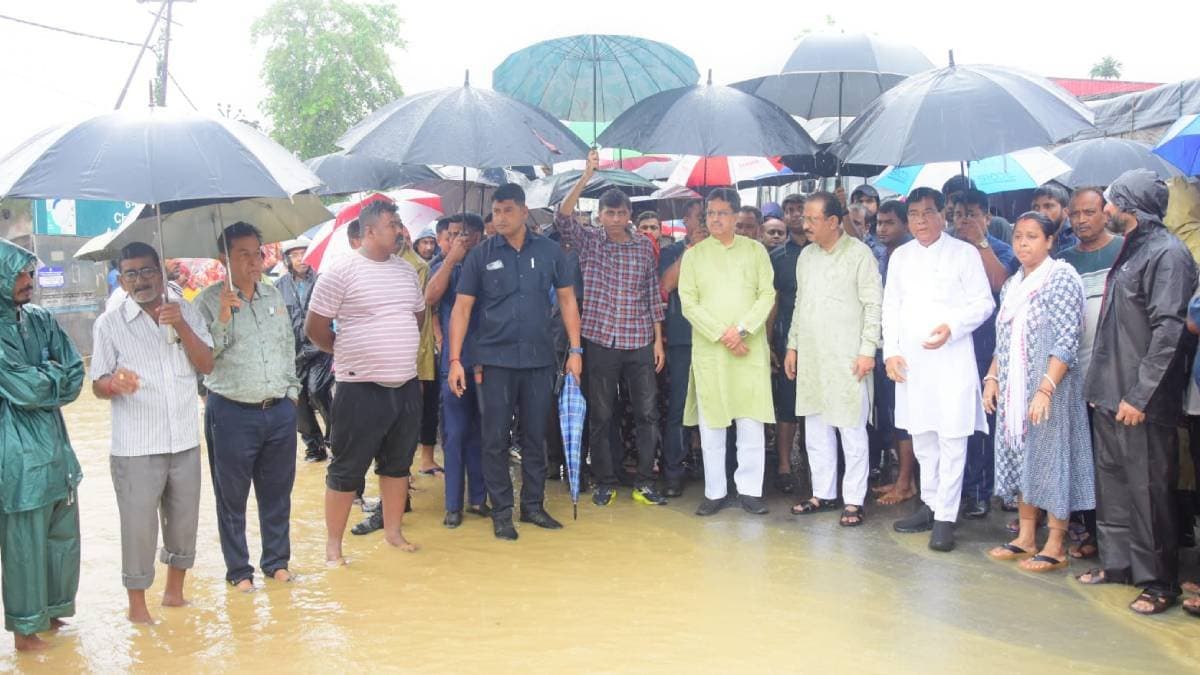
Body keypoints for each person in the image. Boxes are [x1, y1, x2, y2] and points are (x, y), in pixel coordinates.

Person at [1078, 169, 1198, 616]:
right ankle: (1118, 564)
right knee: (1113, 484)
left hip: (1142, 400)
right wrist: (1103, 389)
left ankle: (1159, 582)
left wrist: (1140, 394)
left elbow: (1169, 331)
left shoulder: (1168, 253)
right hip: (1111, 392)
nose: (1105, 209)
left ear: (1128, 205)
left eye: (1110, 201)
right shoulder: (1134, 248)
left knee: (1149, 490)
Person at [447, 183, 582, 540]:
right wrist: (456, 359)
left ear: (524, 212)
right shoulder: (480, 255)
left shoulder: (551, 252)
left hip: (540, 359)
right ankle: (502, 512)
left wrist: (576, 351)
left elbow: (568, 301)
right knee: (495, 439)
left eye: (508, 210)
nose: (500, 217)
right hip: (494, 361)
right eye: (496, 211)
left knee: (536, 436)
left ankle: (533, 507)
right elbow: (462, 308)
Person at [91, 242, 213, 624]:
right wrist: (114, 384)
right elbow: (97, 383)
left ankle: (174, 595)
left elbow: (207, 364)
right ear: (121, 280)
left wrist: (179, 323)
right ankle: (137, 608)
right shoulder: (108, 324)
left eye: (147, 271)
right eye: (131, 274)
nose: (140, 280)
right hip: (136, 445)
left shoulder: (185, 310)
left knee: (184, 521)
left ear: (161, 273)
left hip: (184, 438)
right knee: (138, 528)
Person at [306, 200, 425, 562]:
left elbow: (417, 319)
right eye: (392, 224)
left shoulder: (406, 272)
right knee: (346, 467)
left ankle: (393, 533)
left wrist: (393, 346)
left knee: (397, 464)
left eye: (399, 223)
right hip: (359, 388)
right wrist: (350, 353)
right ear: (369, 231)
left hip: (404, 385)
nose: (400, 230)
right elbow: (315, 329)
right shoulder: (340, 272)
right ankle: (333, 547)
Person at [981, 212, 1094, 572]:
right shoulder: (1013, 283)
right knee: (1021, 457)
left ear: (1049, 241)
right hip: (1015, 391)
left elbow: (1067, 338)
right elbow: (1003, 340)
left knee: (1052, 459)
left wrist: (1045, 388)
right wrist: (992, 379)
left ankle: (1056, 543)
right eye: (1018, 236)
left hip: (1052, 389)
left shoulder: (1060, 277)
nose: (1023, 243)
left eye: (1032, 236)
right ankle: (1026, 537)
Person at [884, 188, 995, 552]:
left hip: (951, 360)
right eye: (914, 214)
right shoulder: (900, 256)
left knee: (951, 438)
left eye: (928, 212)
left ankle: (946, 517)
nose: (921, 220)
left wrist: (954, 325)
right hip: (913, 363)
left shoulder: (964, 254)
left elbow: (984, 303)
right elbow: (891, 308)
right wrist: (891, 352)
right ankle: (930, 505)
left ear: (942, 216)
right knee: (923, 438)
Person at [557, 151, 667, 506]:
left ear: (630, 215)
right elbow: (563, 216)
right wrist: (586, 175)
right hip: (600, 339)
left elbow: (652, 295)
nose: (616, 218)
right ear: (600, 215)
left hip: (638, 341)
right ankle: (604, 479)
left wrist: (658, 341)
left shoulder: (643, 249)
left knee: (647, 413)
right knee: (602, 414)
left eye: (621, 213)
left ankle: (645, 481)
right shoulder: (590, 241)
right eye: (610, 212)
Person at [196, 222, 299, 590]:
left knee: (278, 491)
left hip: (279, 409)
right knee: (231, 496)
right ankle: (239, 571)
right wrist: (224, 316)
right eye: (244, 254)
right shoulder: (208, 301)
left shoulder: (273, 295)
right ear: (224, 259)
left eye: (258, 253)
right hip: (231, 411)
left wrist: (292, 392)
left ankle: (277, 561)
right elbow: (204, 360)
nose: (255, 261)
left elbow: (287, 345)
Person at [0, 238, 84, 652]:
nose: (27, 280)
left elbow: (74, 375)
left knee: (61, 537)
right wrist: (49, 376)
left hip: (56, 448)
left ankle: (53, 610)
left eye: (29, 272)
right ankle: (25, 629)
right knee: (24, 545)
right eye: (17, 273)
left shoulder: (40, 318)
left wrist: (46, 377)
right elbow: (25, 387)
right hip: (16, 454)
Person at [784, 192, 883, 526]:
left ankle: (854, 499)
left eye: (812, 219)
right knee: (816, 428)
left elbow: (873, 305)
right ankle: (823, 493)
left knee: (851, 430)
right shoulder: (806, 257)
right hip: (812, 356)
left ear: (833, 221)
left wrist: (868, 351)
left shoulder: (860, 255)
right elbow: (800, 303)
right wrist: (792, 345)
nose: (804, 224)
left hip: (848, 357)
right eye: (804, 218)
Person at [678, 188, 776, 516]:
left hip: (748, 348)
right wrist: (724, 335)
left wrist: (742, 330)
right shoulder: (694, 255)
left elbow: (767, 295)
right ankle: (715, 491)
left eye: (722, 213)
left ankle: (750, 491)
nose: (715, 219)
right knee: (713, 422)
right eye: (710, 213)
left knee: (750, 420)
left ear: (736, 216)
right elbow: (688, 303)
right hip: (712, 350)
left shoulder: (756, 251)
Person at [1059, 186, 1123, 560]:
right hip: (1073, 372)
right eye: (1075, 214)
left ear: (1105, 213)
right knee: (1083, 455)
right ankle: (1091, 530)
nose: (1081, 220)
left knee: (1111, 459)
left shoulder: (1123, 251)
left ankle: (1116, 539)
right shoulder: (1064, 260)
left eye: (1088, 212)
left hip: (1114, 373)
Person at [951, 189, 1020, 520]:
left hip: (985, 348)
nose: (963, 220)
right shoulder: (945, 249)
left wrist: (980, 242)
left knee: (982, 423)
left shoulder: (1003, 249)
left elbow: (1000, 284)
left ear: (987, 216)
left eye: (972, 213)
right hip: (949, 345)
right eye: (958, 213)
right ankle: (954, 489)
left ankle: (980, 492)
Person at [425, 213, 490, 527]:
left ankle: (479, 498)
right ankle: (453, 505)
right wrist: (452, 259)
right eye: (451, 234)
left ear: (478, 235)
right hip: (453, 361)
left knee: (484, 432)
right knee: (454, 433)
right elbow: (430, 298)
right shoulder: (442, 266)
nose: (456, 239)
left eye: (462, 234)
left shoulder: (490, 263)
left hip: (488, 361)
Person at [658, 198, 706, 496]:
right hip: (683, 339)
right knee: (679, 407)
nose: (702, 223)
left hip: (717, 339)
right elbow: (666, 284)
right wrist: (690, 251)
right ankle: (673, 472)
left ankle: (720, 473)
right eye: (697, 218)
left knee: (718, 409)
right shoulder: (673, 251)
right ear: (685, 221)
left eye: (707, 217)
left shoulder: (722, 250)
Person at [870, 200, 917, 506]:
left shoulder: (912, 255)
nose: (882, 229)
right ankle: (903, 479)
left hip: (909, 348)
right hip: (886, 347)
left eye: (889, 223)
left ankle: (907, 483)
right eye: (879, 223)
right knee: (893, 416)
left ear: (905, 224)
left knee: (908, 418)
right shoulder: (882, 254)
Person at [275, 237, 333, 463]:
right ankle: (313, 446)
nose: (301, 259)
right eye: (295, 255)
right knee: (296, 398)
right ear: (287, 259)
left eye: (304, 253)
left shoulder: (321, 280)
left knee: (317, 390)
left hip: (319, 349)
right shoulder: (279, 287)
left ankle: (334, 439)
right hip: (294, 352)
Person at [767, 193, 808, 494]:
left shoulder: (823, 251)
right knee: (787, 404)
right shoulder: (778, 257)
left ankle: (814, 462)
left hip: (821, 340)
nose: (795, 215)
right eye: (789, 211)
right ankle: (783, 465)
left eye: (800, 210)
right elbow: (773, 302)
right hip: (785, 338)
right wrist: (768, 342)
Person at [943, 175, 1012, 244]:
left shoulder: (999, 226)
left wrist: (981, 242)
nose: (949, 205)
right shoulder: (946, 236)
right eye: (946, 200)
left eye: (954, 198)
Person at [1031, 183, 1079, 258]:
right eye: (1036, 207)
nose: (1041, 212)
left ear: (1066, 211)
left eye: (1048, 206)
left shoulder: (1073, 238)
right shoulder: (1032, 237)